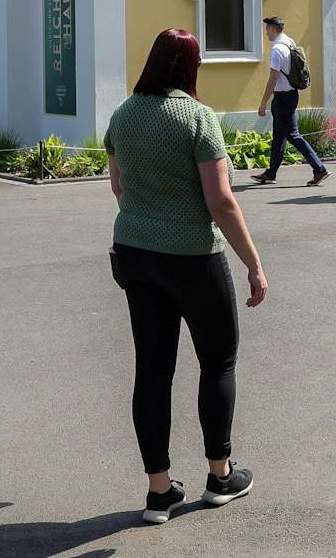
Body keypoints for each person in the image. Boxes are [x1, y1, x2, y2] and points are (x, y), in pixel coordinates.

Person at [104, 28, 262, 525]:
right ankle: (220, 476)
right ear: (191, 67)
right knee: (217, 364)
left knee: (152, 370)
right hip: (194, 257)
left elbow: (118, 187)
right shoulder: (198, 118)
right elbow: (220, 201)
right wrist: (254, 263)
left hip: (134, 252)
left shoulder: (123, 115)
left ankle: (159, 491)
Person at [252, 16, 330, 186]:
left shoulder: (277, 50)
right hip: (290, 94)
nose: (266, 33)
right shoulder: (289, 42)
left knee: (293, 135)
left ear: (273, 28)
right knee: (279, 136)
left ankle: (319, 168)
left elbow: (273, 78)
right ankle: (270, 173)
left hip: (282, 98)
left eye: (267, 29)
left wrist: (263, 102)